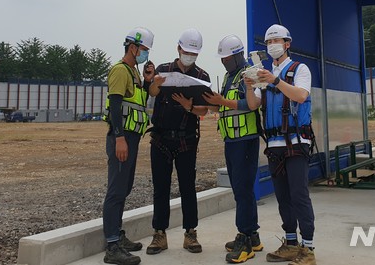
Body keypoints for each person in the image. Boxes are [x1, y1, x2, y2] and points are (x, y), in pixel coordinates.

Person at [243, 24, 316, 265]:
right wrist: (249, 85)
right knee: (283, 196)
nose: (273, 45)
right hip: (274, 144)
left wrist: (275, 80)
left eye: (277, 41)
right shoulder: (264, 74)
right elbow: (254, 105)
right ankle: (291, 243)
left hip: (296, 142)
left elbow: (301, 96)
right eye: (269, 42)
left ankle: (308, 249)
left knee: (299, 194)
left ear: (287, 43)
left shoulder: (299, 69)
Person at [145, 28, 211, 255]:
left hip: (187, 140)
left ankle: (190, 233)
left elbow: (207, 109)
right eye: (186, 51)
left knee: (187, 187)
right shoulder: (163, 70)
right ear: (178, 48)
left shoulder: (202, 77)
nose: (189, 56)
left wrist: (189, 107)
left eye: (194, 53)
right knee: (160, 188)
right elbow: (152, 92)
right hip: (161, 138)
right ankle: (159, 234)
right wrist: (155, 82)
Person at [203, 35, 263, 264]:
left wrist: (222, 101)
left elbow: (251, 104)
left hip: (245, 140)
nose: (224, 62)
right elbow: (225, 105)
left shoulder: (251, 74)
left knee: (243, 189)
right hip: (232, 141)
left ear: (238, 55)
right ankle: (253, 235)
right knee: (241, 190)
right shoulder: (230, 76)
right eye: (222, 58)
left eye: (227, 58)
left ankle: (245, 238)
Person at [102, 27, 157, 265]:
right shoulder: (120, 70)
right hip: (122, 137)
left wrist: (146, 82)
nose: (145, 54)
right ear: (133, 47)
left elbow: (137, 101)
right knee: (116, 189)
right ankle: (112, 245)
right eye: (144, 49)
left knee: (124, 187)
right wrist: (120, 138)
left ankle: (118, 235)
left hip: (132, 137)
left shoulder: (133, 73)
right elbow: (115, 106)